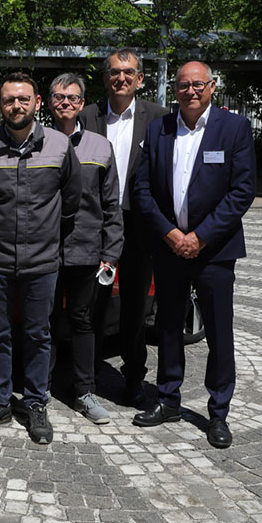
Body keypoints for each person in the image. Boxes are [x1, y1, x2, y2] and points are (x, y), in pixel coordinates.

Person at [131, 61, 256, 449]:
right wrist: (170, 234)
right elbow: (141, 189)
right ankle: (168, 398)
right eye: (183, 85)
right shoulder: (159, 129)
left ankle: (218, 412)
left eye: (197, 84)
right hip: (169, 248)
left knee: (219, 332)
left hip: (214, 251)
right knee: (168, 327)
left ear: (212, 87)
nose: (190, 91)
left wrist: (199, 237)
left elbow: (242, 191)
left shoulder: (233, 128)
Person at [0, 72, 80, 444]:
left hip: (42, 261)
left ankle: (35, 403)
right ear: (0, 104)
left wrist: (45, 235)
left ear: (36, 103)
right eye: (9, 99)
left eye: (23, 99)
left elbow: (71, 200)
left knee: (37, 334)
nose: (16, 105)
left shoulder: (60, 146)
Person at [78, 48, 167, 407]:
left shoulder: (159, 118)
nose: (122, 78)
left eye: (129, 73)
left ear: (140, 79)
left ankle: (133, 377)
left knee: (133, 306)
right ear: (105, 78)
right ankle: (88, 376)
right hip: (92, 222)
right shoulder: (86, 116)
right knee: (90, 303)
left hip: (136, 226)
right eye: (115, 72)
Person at [49, 73, 124, 424]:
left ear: (82, 104)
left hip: (86, 251)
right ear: (49, 102)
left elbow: (111, 205)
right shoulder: (36, 141)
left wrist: (111, 253)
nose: (65, 102)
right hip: (43, 251)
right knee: (42, 321)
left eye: (72, 97)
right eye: (59, 96)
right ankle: (38, 390)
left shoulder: (99, 145)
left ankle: (84, 391)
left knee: (82, 320)